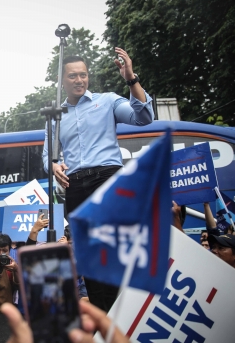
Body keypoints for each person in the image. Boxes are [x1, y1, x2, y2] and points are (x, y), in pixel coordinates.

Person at [43, 49, 154, 313]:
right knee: (89, 256)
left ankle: (126, 317)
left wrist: (131, 79)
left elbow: (144, 117)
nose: (79, 80)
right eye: (73, 76)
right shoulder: (56, 116)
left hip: (107, 179)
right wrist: (54, 165)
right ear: (62, 81)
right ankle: (104, 320)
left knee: (114, 250)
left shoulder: (107, 101)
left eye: (83, 74)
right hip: (75, 186)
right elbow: (48, 155)